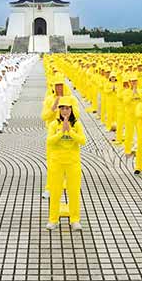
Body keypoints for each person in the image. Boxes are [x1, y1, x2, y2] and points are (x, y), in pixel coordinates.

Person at [45, 96, 86, 231]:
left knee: (73, 192)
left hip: (72, 163)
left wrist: (70, 131)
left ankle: (75, 220)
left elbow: (82, 141)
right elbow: (50, 141)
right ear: (59, 110)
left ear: (71, 110)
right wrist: (61, 132)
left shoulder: (77, 124)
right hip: (57, 162)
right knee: (55, 191)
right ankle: (53, 219)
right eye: (62, 108)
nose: (64, 111)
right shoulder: (53, 125)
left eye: (67, 108)